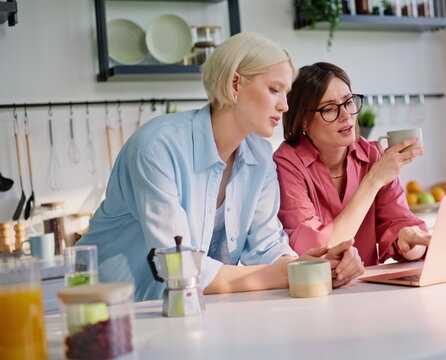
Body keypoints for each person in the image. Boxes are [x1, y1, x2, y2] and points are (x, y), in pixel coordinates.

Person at [78, 34, 364, 302]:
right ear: (235, 84)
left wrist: (316, 264)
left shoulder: (259, 156)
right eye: (274, 90)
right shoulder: (157, 147)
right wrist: (290, 273)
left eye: (286, 93)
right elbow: (180, 268)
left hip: (185, 311)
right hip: (101, 309)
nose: (285, 106)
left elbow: (266, 247)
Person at [274, 62, 431, 267]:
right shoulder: (287, 163)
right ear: (303, 121)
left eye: (349, 102)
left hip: (365, 287)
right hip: (314, 291)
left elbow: (400, 224)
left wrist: (411, 245)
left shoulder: (372, 155)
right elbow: (316, 251)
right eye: (329, 109)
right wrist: (374, 180)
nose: (347, 115)